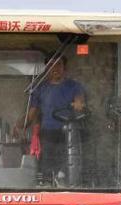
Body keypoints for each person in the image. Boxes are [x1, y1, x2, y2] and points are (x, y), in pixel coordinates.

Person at [16, 55, 86, 183]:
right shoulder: (40, 89)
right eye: (51, 65)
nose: (55, 68)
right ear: (47, 68)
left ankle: (64, 183)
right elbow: (31, 113)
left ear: (65, 67)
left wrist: (78, 105)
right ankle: (48, 183)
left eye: (58, 64)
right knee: (47, 164)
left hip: (68, 133)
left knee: (68, 164)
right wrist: (18, 126)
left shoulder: (74, 86)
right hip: (47, 133)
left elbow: (79, 103)